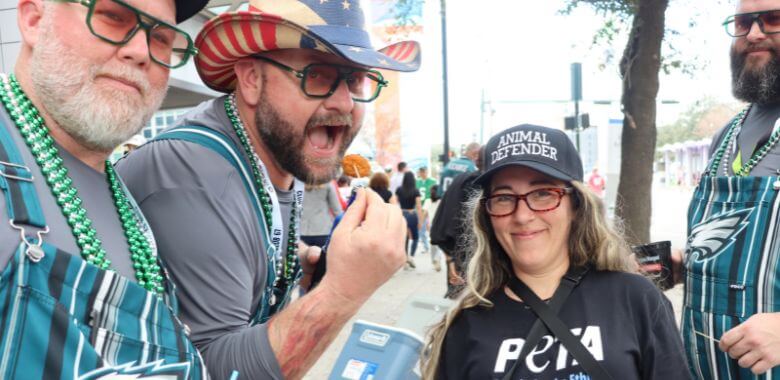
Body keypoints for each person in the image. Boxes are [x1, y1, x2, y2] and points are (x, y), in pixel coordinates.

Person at [115, 0, 420, 378]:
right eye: (318, 75)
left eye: (355, 80)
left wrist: (297, 259)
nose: (343, 102)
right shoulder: (195, 173)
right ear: (252, 80)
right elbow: (213, 371)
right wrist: (342, 291)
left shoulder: (270, 155)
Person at [0, 0, 210, 378]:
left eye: (161, 37)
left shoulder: (128, 206)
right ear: (34, 20)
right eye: (113, 16)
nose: (141, 51)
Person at [422, 124, 689, 379]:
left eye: (543, 194)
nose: (523, 215)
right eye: (504, 197)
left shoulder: (636, 299)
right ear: (487, 215)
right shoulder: (465, 324)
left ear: (576, 206)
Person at [668, 2, 780, 377]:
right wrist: (690, 262)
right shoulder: (727, 135)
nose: (754, 33)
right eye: (743, 21)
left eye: (773, 18)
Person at [300, 182, 344, 249]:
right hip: (324, 230)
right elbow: (337, 210)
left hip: (302, 231)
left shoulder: (297, 184)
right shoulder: (328, 184)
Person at [396, 171, 423, 269]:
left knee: (404, 238)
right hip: (412, 214)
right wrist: (420, 220)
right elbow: (419, 206)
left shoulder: (399, 190)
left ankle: (405, 261)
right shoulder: (416, 191)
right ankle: (410, 256)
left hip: (402, 213)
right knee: (415, 237)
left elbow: (395, 203)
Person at [416, 166, 437, 253]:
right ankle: (426, 246)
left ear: (427, 172)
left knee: (431, 225)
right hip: (421, 206)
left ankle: (433, 242)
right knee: (422, 226)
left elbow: (434, 194)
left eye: (424, 172)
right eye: (421, 172)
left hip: (430, 205)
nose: (423, 174)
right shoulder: (417, 181)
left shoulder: (432, 181)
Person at [424, 184, 442, 272]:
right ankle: (437, 258)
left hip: (431, 224)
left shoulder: (427, 201)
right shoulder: (441, 201)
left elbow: (425, 214)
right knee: (440, 244)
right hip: (440, 224)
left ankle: (433, 261)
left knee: (432, 244)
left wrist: (423, 223)